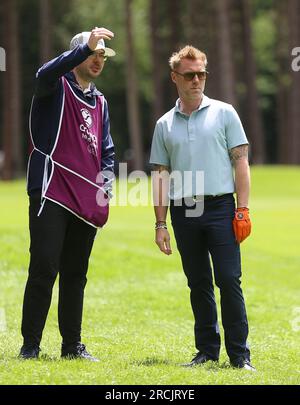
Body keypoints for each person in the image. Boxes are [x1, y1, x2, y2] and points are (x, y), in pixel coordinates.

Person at [150, 46, 255, 371]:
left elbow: (241, 162)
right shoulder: (164, 124)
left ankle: (240, 356)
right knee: (198, 282)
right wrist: (160, 223)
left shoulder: (225, 113)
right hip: (185, 210)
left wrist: (243, 209)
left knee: (228, 279)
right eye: (190, 75)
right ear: (175, 77)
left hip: (222, 207)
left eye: (201, 74)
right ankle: (207, 351)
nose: (197, 80)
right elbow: (160, 175)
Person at [19, 28, 115, 361]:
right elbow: (44, 72)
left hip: (86, 198)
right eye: (93, 53)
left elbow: (107, 152)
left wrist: (107, 186)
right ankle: (30, 345)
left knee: (76, 273)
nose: (99, 59)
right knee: (44, 267)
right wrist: (83, 47)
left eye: (102, 54)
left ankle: (72, 346)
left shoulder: (100, 101)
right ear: (76, 56)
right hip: (52, 190)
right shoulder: (53, 87)